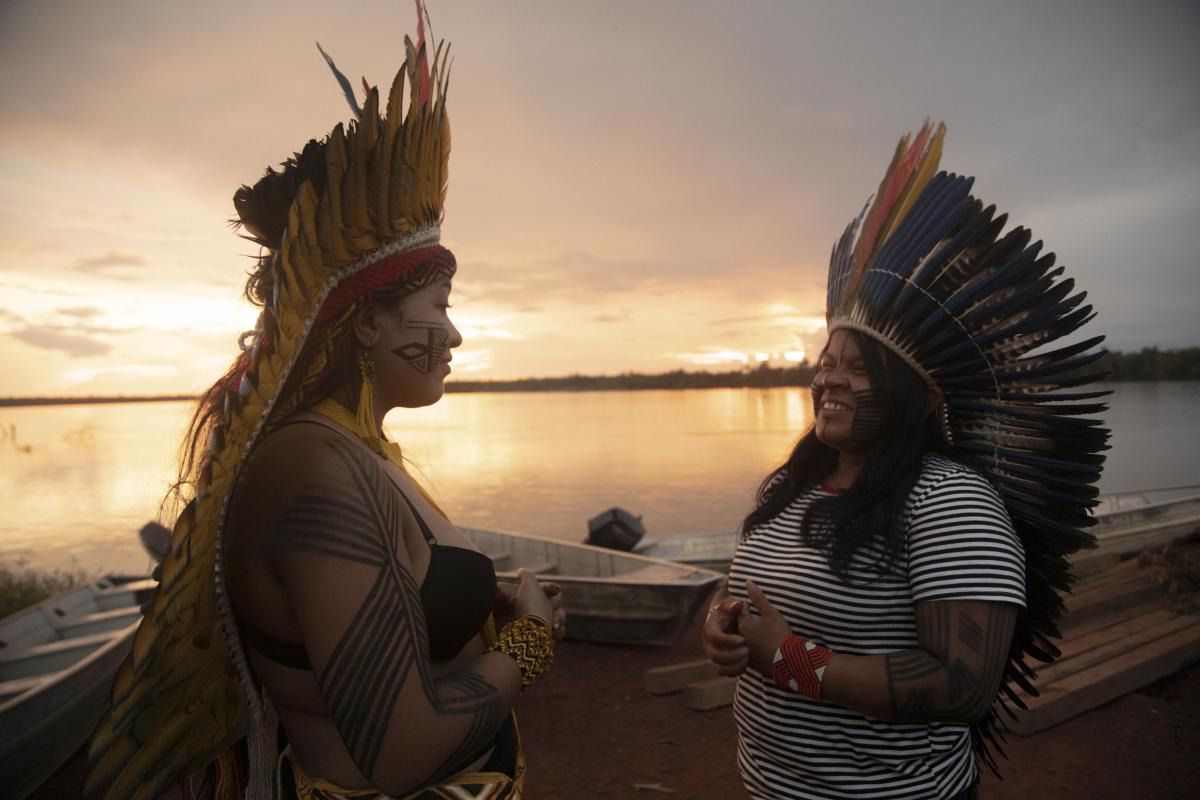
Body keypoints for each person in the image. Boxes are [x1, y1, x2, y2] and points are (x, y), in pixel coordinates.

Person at [87, 6, 564, 799]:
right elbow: (399, 752)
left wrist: (479, 596)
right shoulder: (312, 473)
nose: (455, 334)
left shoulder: (359, 451)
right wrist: (531, 643)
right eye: (440, 305)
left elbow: (385, 613)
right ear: (367, 322)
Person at [704, 122, 1107, 800]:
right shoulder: (794, 485)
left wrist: (791, 662)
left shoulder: (950, 503)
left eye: (856, 369)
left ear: (916, 395)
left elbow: (964, 685)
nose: (827, 380)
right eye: (825, 362)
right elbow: (745, 589)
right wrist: (719, 621)